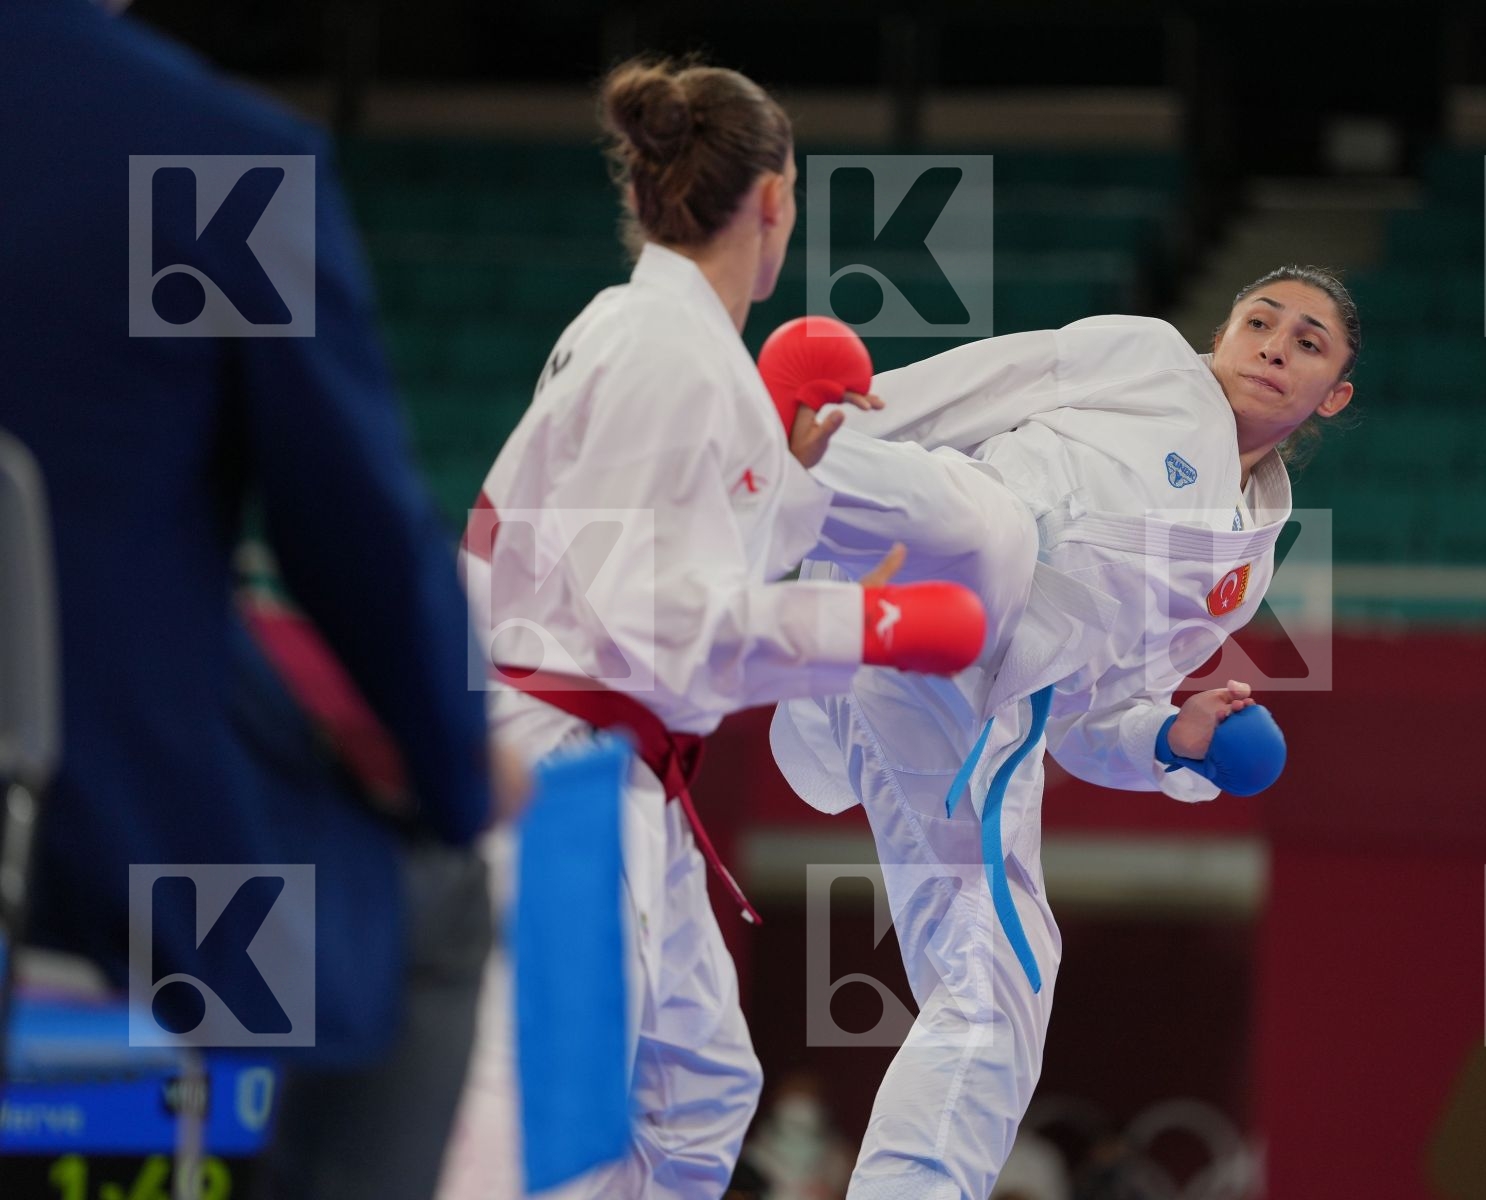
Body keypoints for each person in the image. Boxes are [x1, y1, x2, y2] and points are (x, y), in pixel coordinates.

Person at [440, 58, 984, 1200]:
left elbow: (652, 556)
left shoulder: (657, 339)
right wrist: (874, 621)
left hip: (611, 760)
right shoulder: (667, 353)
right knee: (559, 1117)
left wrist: (783, 473)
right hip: (570, 769)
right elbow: (656, 614)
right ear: (775, 197)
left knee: (698, 1088)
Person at [0, 1, 507, 1197]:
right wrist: (457, 768)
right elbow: (356, 547)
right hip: (101, 874)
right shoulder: (204, 162)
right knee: (438, 897)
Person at [771, 266, 1359, 1198]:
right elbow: (980, 381)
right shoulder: (1148, 361)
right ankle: (782, 452)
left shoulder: (1241, 573)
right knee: (990, 528)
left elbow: (1088, 721)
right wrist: (851, 421)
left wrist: (1174, 738)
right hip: (933, 567)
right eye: (1259, 321)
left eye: (1307, 343)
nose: (1275, 346)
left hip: (967, 702)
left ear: (1333, 397)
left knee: (1002, 984)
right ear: (1222, 334)